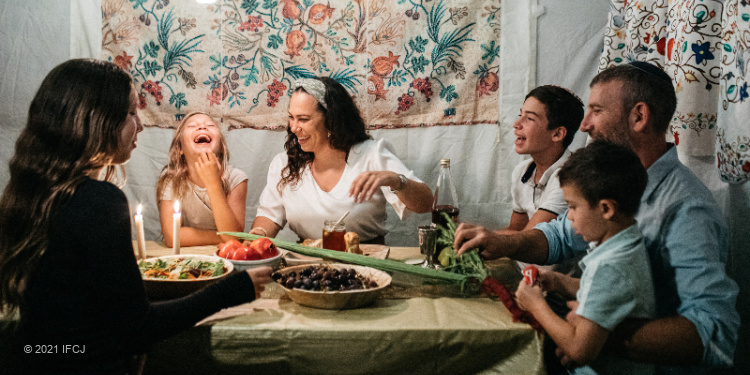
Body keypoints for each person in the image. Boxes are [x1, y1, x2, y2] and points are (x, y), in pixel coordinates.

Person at [454, 61, 739, 372]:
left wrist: (592, 333)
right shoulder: (613, 182)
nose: (585, 125)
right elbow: (560, 236)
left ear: (639, 116)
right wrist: (503, 243)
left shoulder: (687, 208)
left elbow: (714, 336)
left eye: (597, 110)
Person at [0, 59, 272, 374]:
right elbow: (137, 328)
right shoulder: (99, 201)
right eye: (131, 112)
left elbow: (93, 314)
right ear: (96, 120)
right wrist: (232, 290)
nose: (140, 125)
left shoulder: (33, 194)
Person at [516, 140, 656, 374]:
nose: (569, 217)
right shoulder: (625, 243)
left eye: (573, 206)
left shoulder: (610, 265)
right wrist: (561, 282)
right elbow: (608, 292)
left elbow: (579, 349)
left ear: (606, 209)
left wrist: (536, 305)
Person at [249, 77, 433, 243]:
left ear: (331, 119)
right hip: (306, 266)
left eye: (303, 119)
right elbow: (269, 217)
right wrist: (258, 236)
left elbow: (426, 203)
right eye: (291, 118)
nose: (294, 128)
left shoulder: (371, 154)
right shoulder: (285, 164)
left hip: (365, 262)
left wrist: (395, 180)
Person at [156, 111, 248, 246]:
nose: (202, 127)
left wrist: (213, 184)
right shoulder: (171, 179)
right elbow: (172, 237)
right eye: (192, 126)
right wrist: (223, 238)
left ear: (221, 147)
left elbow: (234, 237)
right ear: (180, 148)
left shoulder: (236, 178)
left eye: (210, 125)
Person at [501, 85, 583, 234]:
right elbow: (516, 230)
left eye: (530, 118)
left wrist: (470, 236)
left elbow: (525, 239)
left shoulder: (570, 177)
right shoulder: (522, 171)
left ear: (557, 134)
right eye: (520, 115)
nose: (516, 124)